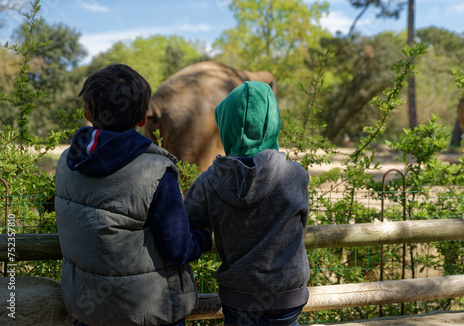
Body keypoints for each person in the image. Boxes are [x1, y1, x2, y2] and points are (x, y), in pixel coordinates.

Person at [55, 63, 212, 326]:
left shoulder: (66, 163)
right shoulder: (156, 170)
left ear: (86, 112)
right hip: (151, 314)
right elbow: (178, 248)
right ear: (143, 118)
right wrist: (205, 238)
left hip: (87, 312)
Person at [184, 81, 310, 326]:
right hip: (287, 297)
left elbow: (187, 223)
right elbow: (301, 223)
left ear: (226, 126)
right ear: (272, 122)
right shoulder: (294, 174)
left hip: (239, 299)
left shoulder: (209, 181)